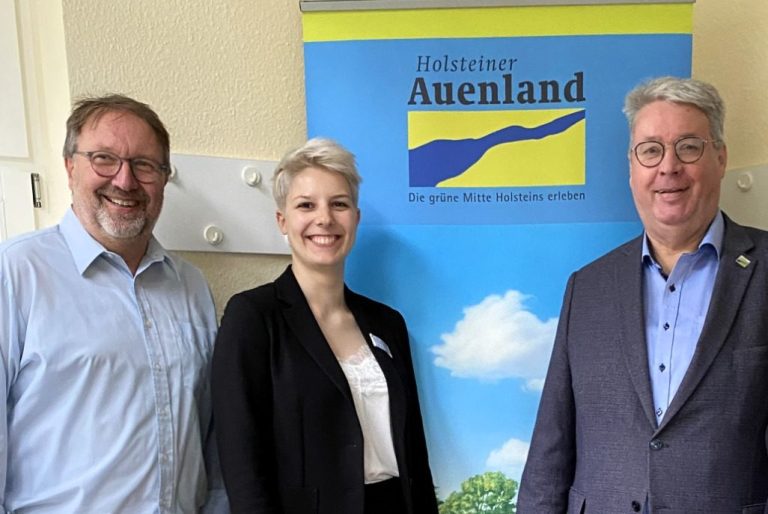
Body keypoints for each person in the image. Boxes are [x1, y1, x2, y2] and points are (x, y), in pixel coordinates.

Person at [518, 76, 768, 513]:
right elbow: (550, 448)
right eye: (650, 150)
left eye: (688, 146)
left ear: (721, 157)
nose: (668, 167)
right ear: (632, 168)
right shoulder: (588, 287)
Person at [0, 95, 227, 512]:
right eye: (104, 159)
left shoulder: (191, 287)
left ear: (164, 177)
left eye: (144, 165)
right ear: (70, 166)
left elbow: (212, 432)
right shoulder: (15, 273)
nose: (124, 181)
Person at [212, 138, 439, 514]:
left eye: (339, 204)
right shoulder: (252, 318)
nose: (325, 219)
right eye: (306, 205)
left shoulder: (388, 323)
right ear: (282, 220)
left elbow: (414, 448)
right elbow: (242, 463)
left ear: (356, 217)